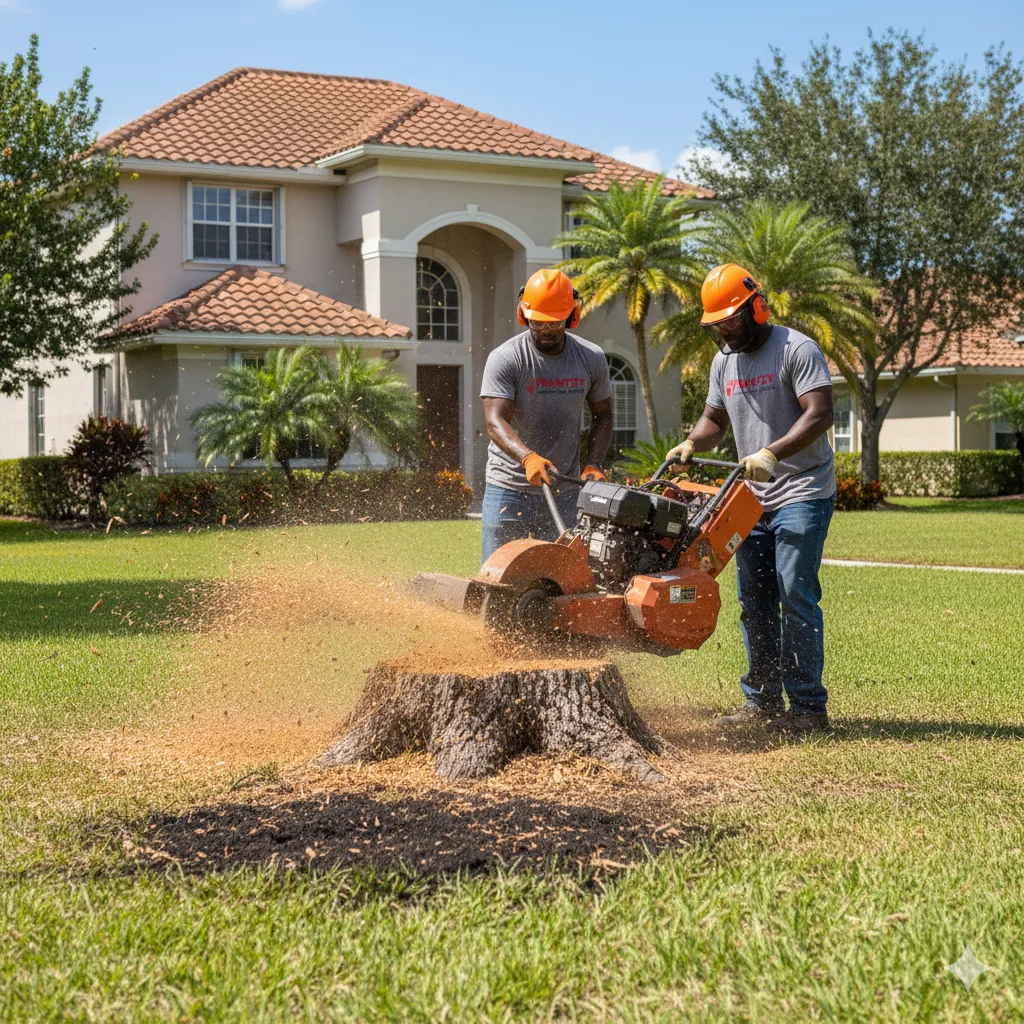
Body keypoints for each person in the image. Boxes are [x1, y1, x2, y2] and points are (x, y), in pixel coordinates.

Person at [668, 264, 836, 734]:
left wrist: (772, 452)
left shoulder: (796, 349)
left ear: (756, 308)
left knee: (793, 592)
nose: (724, 330)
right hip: (751, 499)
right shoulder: (724, 361)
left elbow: (820, 414)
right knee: (754, 599)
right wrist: (691, 443)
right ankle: (761, 700)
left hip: (802, 489)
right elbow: (714, 420)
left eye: (730, 320)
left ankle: (807, 708)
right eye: (716, 324)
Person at [479, 268, 614, 562]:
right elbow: (494, 420)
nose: (546, 330)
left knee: (561, 579)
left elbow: (603, 416)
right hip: (509, 487)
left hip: (565, 491)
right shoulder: (506, 358)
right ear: (524, 314)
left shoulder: (591, 358)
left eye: (554, 322)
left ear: (571, 317)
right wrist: (527, 457)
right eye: (538, 322)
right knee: (498, 576)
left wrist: (594, 463)